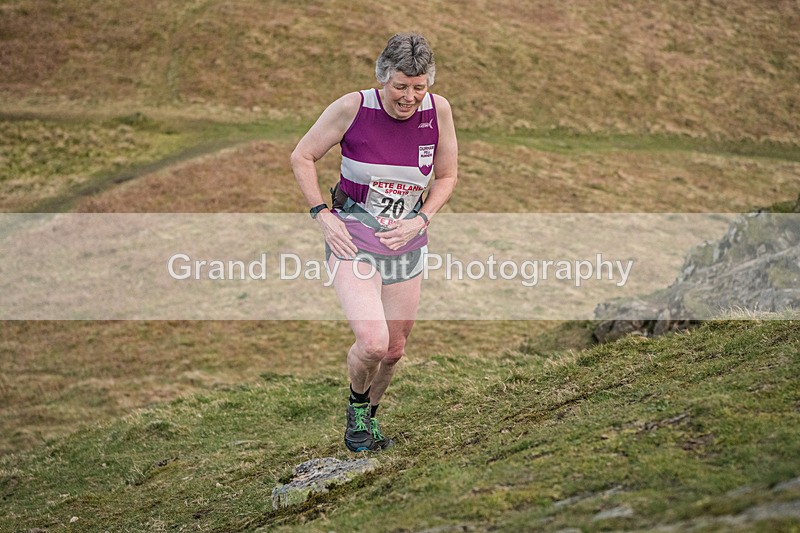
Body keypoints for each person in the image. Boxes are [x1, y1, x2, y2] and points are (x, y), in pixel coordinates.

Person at [291, 32, 458, 452]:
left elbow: (447, 176)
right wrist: (321, 214)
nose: (409, 97)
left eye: (418, 87)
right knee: (372, 343)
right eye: (400, 86)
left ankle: (370, 417)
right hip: (353, 238)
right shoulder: (353, 107)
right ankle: (356, 407)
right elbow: (302, 156)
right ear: (383, 77)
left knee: (394, 350)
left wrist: (421, 219)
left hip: (406, 243)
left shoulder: (438, 111)